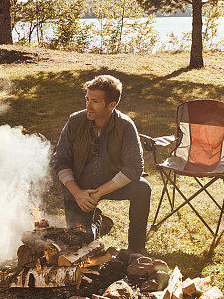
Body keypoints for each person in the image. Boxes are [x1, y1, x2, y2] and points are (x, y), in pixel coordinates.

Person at [52, 74, 151, 252]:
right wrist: (77, 193)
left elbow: (134, 167)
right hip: (80, 187)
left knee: (143, 189)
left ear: (112, 105)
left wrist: (99, 193)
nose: (88, 106)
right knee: (80, 242)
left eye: (95, 101)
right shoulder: (75, 121)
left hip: (111, 184)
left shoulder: (125, 126)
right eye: (87, 99)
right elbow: (60, 160)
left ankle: (136, 251)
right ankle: (98, 223)